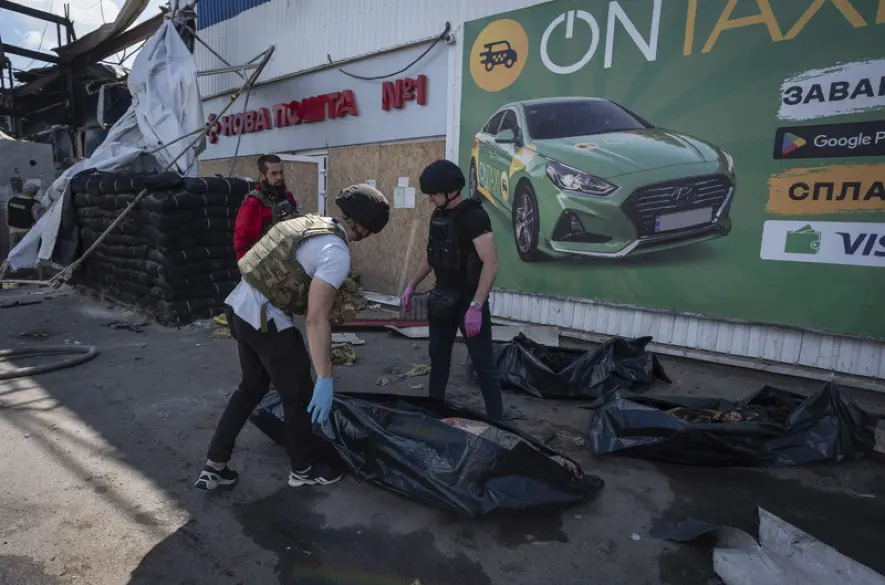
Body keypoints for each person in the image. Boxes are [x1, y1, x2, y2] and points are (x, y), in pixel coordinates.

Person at [195, 184, 390, 491]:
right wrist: (325, 377)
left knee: (252, 386)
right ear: (366, 228)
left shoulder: (309, 223)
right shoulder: (336, 253)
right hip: (266, 320)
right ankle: (303, 470)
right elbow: (315, 318)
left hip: (238, 308)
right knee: (298, 396)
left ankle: (215, 465)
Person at [400, 159, 503, 419]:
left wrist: (477, 306)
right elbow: (432, 255)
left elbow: (491, 262)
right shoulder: (439, 215)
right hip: (442, 298)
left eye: (433, 194)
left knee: (483, 365)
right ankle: (435, 415)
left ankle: (498, 422)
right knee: (438, 359)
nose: (429, 199)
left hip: (469, 301)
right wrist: (412, 285)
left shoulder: (474, 216)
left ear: (450, 190)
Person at [233, 154, 299, 260]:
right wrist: (247, 269)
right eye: (274, 173)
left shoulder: (288, 197)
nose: (279, 177)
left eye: (281, 172)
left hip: (289, 258)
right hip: (265, 263)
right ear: (263, 175)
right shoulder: (253, 203)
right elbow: (241, 240)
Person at [5, 182, 44, 251]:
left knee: (13, 253)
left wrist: (10, 230)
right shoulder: (35, 204)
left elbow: (6, 218)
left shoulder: (11, 200)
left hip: (12, 231)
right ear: (33, 192)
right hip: (26, 232)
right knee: (26, 253)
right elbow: (39, 221)